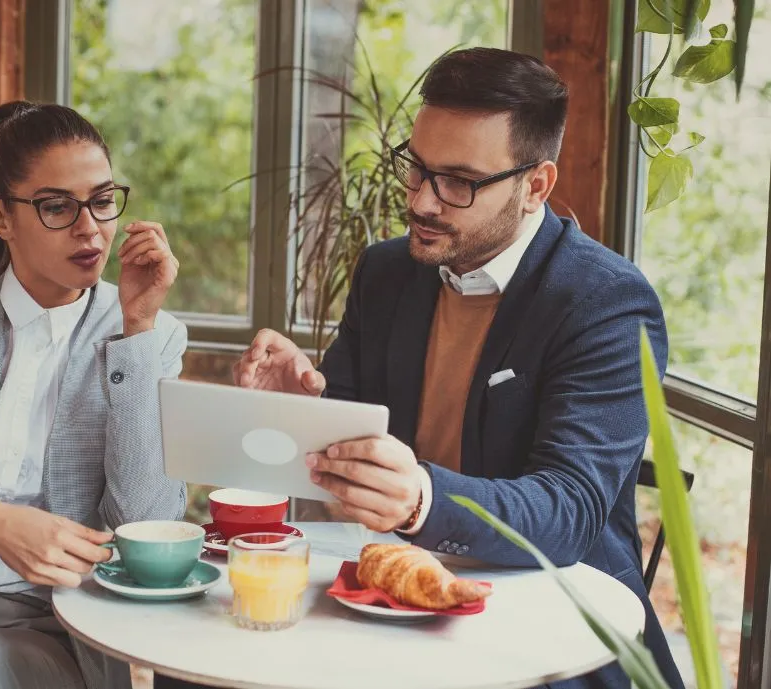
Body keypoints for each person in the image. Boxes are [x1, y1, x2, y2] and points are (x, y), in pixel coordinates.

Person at [233, 48, 684, 689]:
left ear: (536, 185)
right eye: (416, 169)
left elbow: (571, 510)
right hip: (392, 599)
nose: (422, 200)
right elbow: (348, 432)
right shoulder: (388, 271)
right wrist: (299, 406)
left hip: (549, 621)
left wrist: (423, 499)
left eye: (458, 181)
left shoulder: (605, 302)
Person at [0, 101, 188, 689]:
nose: (90, 229)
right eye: (57, 206)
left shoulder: (153, 335)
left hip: (50, 627)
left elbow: (148, 524)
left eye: (102, 201)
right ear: (2, 218)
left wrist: (136, 332)